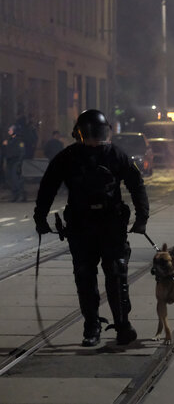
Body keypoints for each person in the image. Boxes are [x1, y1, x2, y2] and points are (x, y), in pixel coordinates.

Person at [33, 109, 149, 347]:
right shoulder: (69, 157)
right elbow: (48, 186)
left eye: (99, 134)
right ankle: (92, 325)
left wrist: (142, 217)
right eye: (93, 134)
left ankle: (120, 323)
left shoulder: (113, 154)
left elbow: (137, 184)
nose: (97, 139)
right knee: (86, 277)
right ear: (81, 134)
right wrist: (40, 217)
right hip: (83, 225)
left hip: (108, 224)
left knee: (115, 275)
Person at [3, 124, 26, 202]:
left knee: (16, 179)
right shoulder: (9, 140)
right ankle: (15, 195)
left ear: (14, 131)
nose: (9, 131)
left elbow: (22, 152)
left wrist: (20, 163)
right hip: (9, 162)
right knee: (10, 179)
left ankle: (21, 195)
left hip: (16, 161)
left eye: (10, 130)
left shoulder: (19, 140)